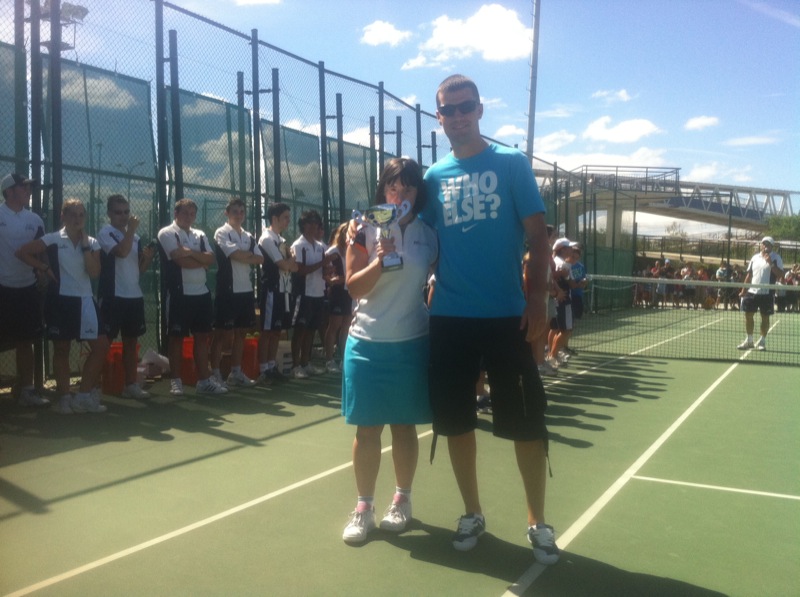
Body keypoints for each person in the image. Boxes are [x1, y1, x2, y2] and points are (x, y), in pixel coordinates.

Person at [421, 74, 559, 564]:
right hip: (450, 319)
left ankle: (537, 521)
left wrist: (537, 300)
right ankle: (472, 512)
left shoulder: (511, 162)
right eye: (449, 109)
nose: (458, 116)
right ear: (439, 117)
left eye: (466, 107)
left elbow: (539, 237)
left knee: (526, 423)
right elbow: (420, 241)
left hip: (507, 318)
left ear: (480, 110)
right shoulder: (432, 178)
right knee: (456, 422)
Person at [341, 157, 438, 544]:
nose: (400, 195)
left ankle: (402, 500)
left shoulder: (429, 235)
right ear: (383, 191)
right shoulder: (362, 228)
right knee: (367, 430)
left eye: (408, 188)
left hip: (411, 343)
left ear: (418, 193)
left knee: (403, 426)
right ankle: (364, 508)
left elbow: (441, 278)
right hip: (366, 343)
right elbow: (353, 286)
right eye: (393, 188)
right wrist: (380, 260)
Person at [16, 198, 110, 414]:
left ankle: (83, 396)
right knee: (61, 349)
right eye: (72, 214)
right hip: (59, 302)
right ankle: (65, 398)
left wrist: (85, 246)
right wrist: (42, 267)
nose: (77, 219)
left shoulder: (93, 242)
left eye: (81, 215)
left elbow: (94, 272)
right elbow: (22, 252)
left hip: (85, 302)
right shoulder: (52, 239)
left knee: (101, 347)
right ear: (63, 216)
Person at [157, 198, 227, 395]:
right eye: (185, 213)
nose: (189, 217)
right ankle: (176, 382)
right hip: (179, 294)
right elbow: (180, 261)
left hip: (202, 294)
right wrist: (199, 260)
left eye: (192, 214)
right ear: (176, 214)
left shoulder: (200, 234)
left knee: (202, 337)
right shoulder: (166, 233)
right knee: (176, 338)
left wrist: (189, 252)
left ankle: (204, 381)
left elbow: (211, 259)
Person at [97, 194, 156, 399]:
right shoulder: (105, 232)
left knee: (131, 344)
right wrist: (130, 230)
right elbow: (121, 252)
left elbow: (139, 270)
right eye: (118, 212)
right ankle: (92, 388)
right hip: (113, 296)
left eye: (126, 212)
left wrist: (147, 259)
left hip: (134, 296)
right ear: (109, 213)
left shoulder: (136, 238)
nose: (123, 216)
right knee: (102, 344)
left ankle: (130, 385)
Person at [0, 173, 49, 407]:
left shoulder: (35, 219)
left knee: (25, 341)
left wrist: (43, 271)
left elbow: (42, 251)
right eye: (23, 187)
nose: (28, 191)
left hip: (27, 289)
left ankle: (26, 392)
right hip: (2, 288)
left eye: (30, 187)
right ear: (9, 191)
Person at [209, 198, 263, 388]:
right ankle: (215, 374)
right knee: (221, 334)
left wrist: (242, 254)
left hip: (246, 291)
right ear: (227, 213)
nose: (239, 215)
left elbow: (260, 259)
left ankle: (235, 373)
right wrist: (246, 254)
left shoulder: (248, 236)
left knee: (241, 333)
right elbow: (234, 255)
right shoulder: (222, 232)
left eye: (241, 211)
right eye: (235, 211)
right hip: (227, 290)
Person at [256, 202, 298, 384]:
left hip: (283, 290)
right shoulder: (267, 238)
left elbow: (294, 267)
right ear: (274, 218)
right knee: (267, 331)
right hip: (271, 289)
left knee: (276, 331)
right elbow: (283, 264)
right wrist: (289, 262)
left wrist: (289, 262)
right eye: (285, 217)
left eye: (288, 217)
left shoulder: (281, 240)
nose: (288, 221)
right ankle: (263, 370)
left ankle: (272, 366)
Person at [289, 209, 331, 378]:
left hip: (318, 293)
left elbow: (325, 269)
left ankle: (306, 363)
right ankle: (295, 366)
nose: (314, 226)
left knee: (312, 330)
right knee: (300, 330)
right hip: (303, 293)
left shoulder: (321, 246)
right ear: (303, 225)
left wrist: (328, 270)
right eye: (310, 223)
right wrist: (323, 263)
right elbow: (300, 271)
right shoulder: (298, 245)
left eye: (316, 223)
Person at [737, 236, 784, 351]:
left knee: (765, 318)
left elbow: (780, 275)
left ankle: (762, 341)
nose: (765, 246)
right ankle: (749, 341)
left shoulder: (776, 258)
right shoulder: (755, 258)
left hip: (767, 293)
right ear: (761, 245)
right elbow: (749, 275)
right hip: (752, 292)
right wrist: (743, 290)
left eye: (768, 244)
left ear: (772, 246)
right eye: (764, 243)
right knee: (748, 316)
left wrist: (770, 263)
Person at [323, 222, 353, 373]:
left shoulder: (351, 249)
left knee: (346, 326)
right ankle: (329, 360)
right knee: (334, 326)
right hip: (337, 293)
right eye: (346, 234)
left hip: (349, 292)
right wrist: (334, 280)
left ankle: (343, 359)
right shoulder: (332, 251)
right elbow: (326, 274)